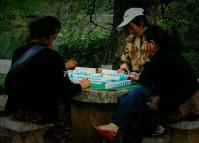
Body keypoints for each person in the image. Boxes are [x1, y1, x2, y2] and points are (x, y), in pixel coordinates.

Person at [92, 25, 199, 143]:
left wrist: (148, 59)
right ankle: (114, 126)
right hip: (185, 101)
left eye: (146, 43)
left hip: (184, 106)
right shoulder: (170, 55)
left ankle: (114, 127)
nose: (145, 47)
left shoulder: (160, 58)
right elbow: (161, 83)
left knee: (137, 107)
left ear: (152, 43)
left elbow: (145, 81)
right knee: (136, 99)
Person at [4, 16, 90, 142]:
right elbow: (66, 90)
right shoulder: (53, 56)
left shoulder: (18, 52)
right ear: (48, 36)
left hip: (15, 109)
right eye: (54, 38)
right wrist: (81, 85)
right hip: (37, 115)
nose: (53, 42)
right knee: (64, 109)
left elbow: (31, 75)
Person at [117, 7, 150, 74]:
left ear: (141, 22)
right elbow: (126, 60)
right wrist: (123, 69)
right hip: (134, 78)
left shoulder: (154, 38)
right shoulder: (130, 39)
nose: (130, 31)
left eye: (131, 27)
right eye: (128, 28)